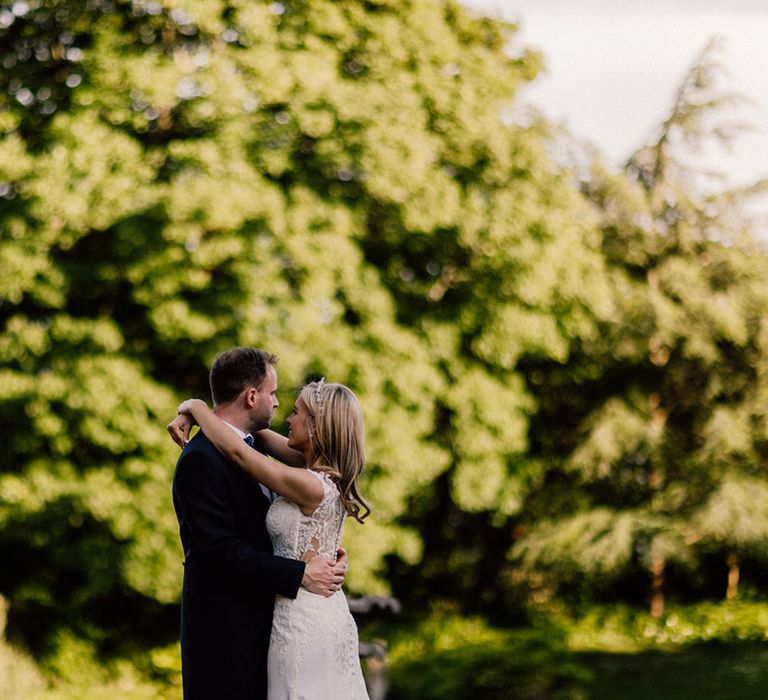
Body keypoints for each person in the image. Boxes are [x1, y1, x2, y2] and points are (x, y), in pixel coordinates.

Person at [175, 375, 371, 699]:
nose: (287, 416)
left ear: (316, 428)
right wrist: (200, 411)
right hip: (303, 608)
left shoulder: (310, 483)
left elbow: (240, 453)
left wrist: (194, 407)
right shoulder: (313, 468)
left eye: (297, 413)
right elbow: (251, 432)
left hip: (304, 620)